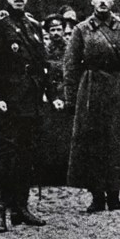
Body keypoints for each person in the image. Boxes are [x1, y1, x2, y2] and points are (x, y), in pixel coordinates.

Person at [0, 0, 64, 233]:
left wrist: (53, 96)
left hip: (31, 103)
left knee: (27, 156)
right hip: (8, 104)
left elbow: (42, 65)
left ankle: (20, 208)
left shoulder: (33, 25)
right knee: (5, 158)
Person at [64, 0, 120, 212]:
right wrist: (71, 99)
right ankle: (97, 195)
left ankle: (115, 194)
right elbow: (71, 67)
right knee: (92, 143)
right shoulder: (81, 30)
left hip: (117, 91)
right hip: (89, 91)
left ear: (113, 0)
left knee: (116, 142)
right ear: (91, 0)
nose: (102, 1)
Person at [39, 14, 72, 184]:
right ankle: (50, 174)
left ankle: (66, 173)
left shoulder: (71, 48)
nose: (56, 33)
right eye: (52, 30)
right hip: (50, 97)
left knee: (67, 136)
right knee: (50, 137)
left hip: (67, 96)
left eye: (59, 29)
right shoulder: (43, 51)